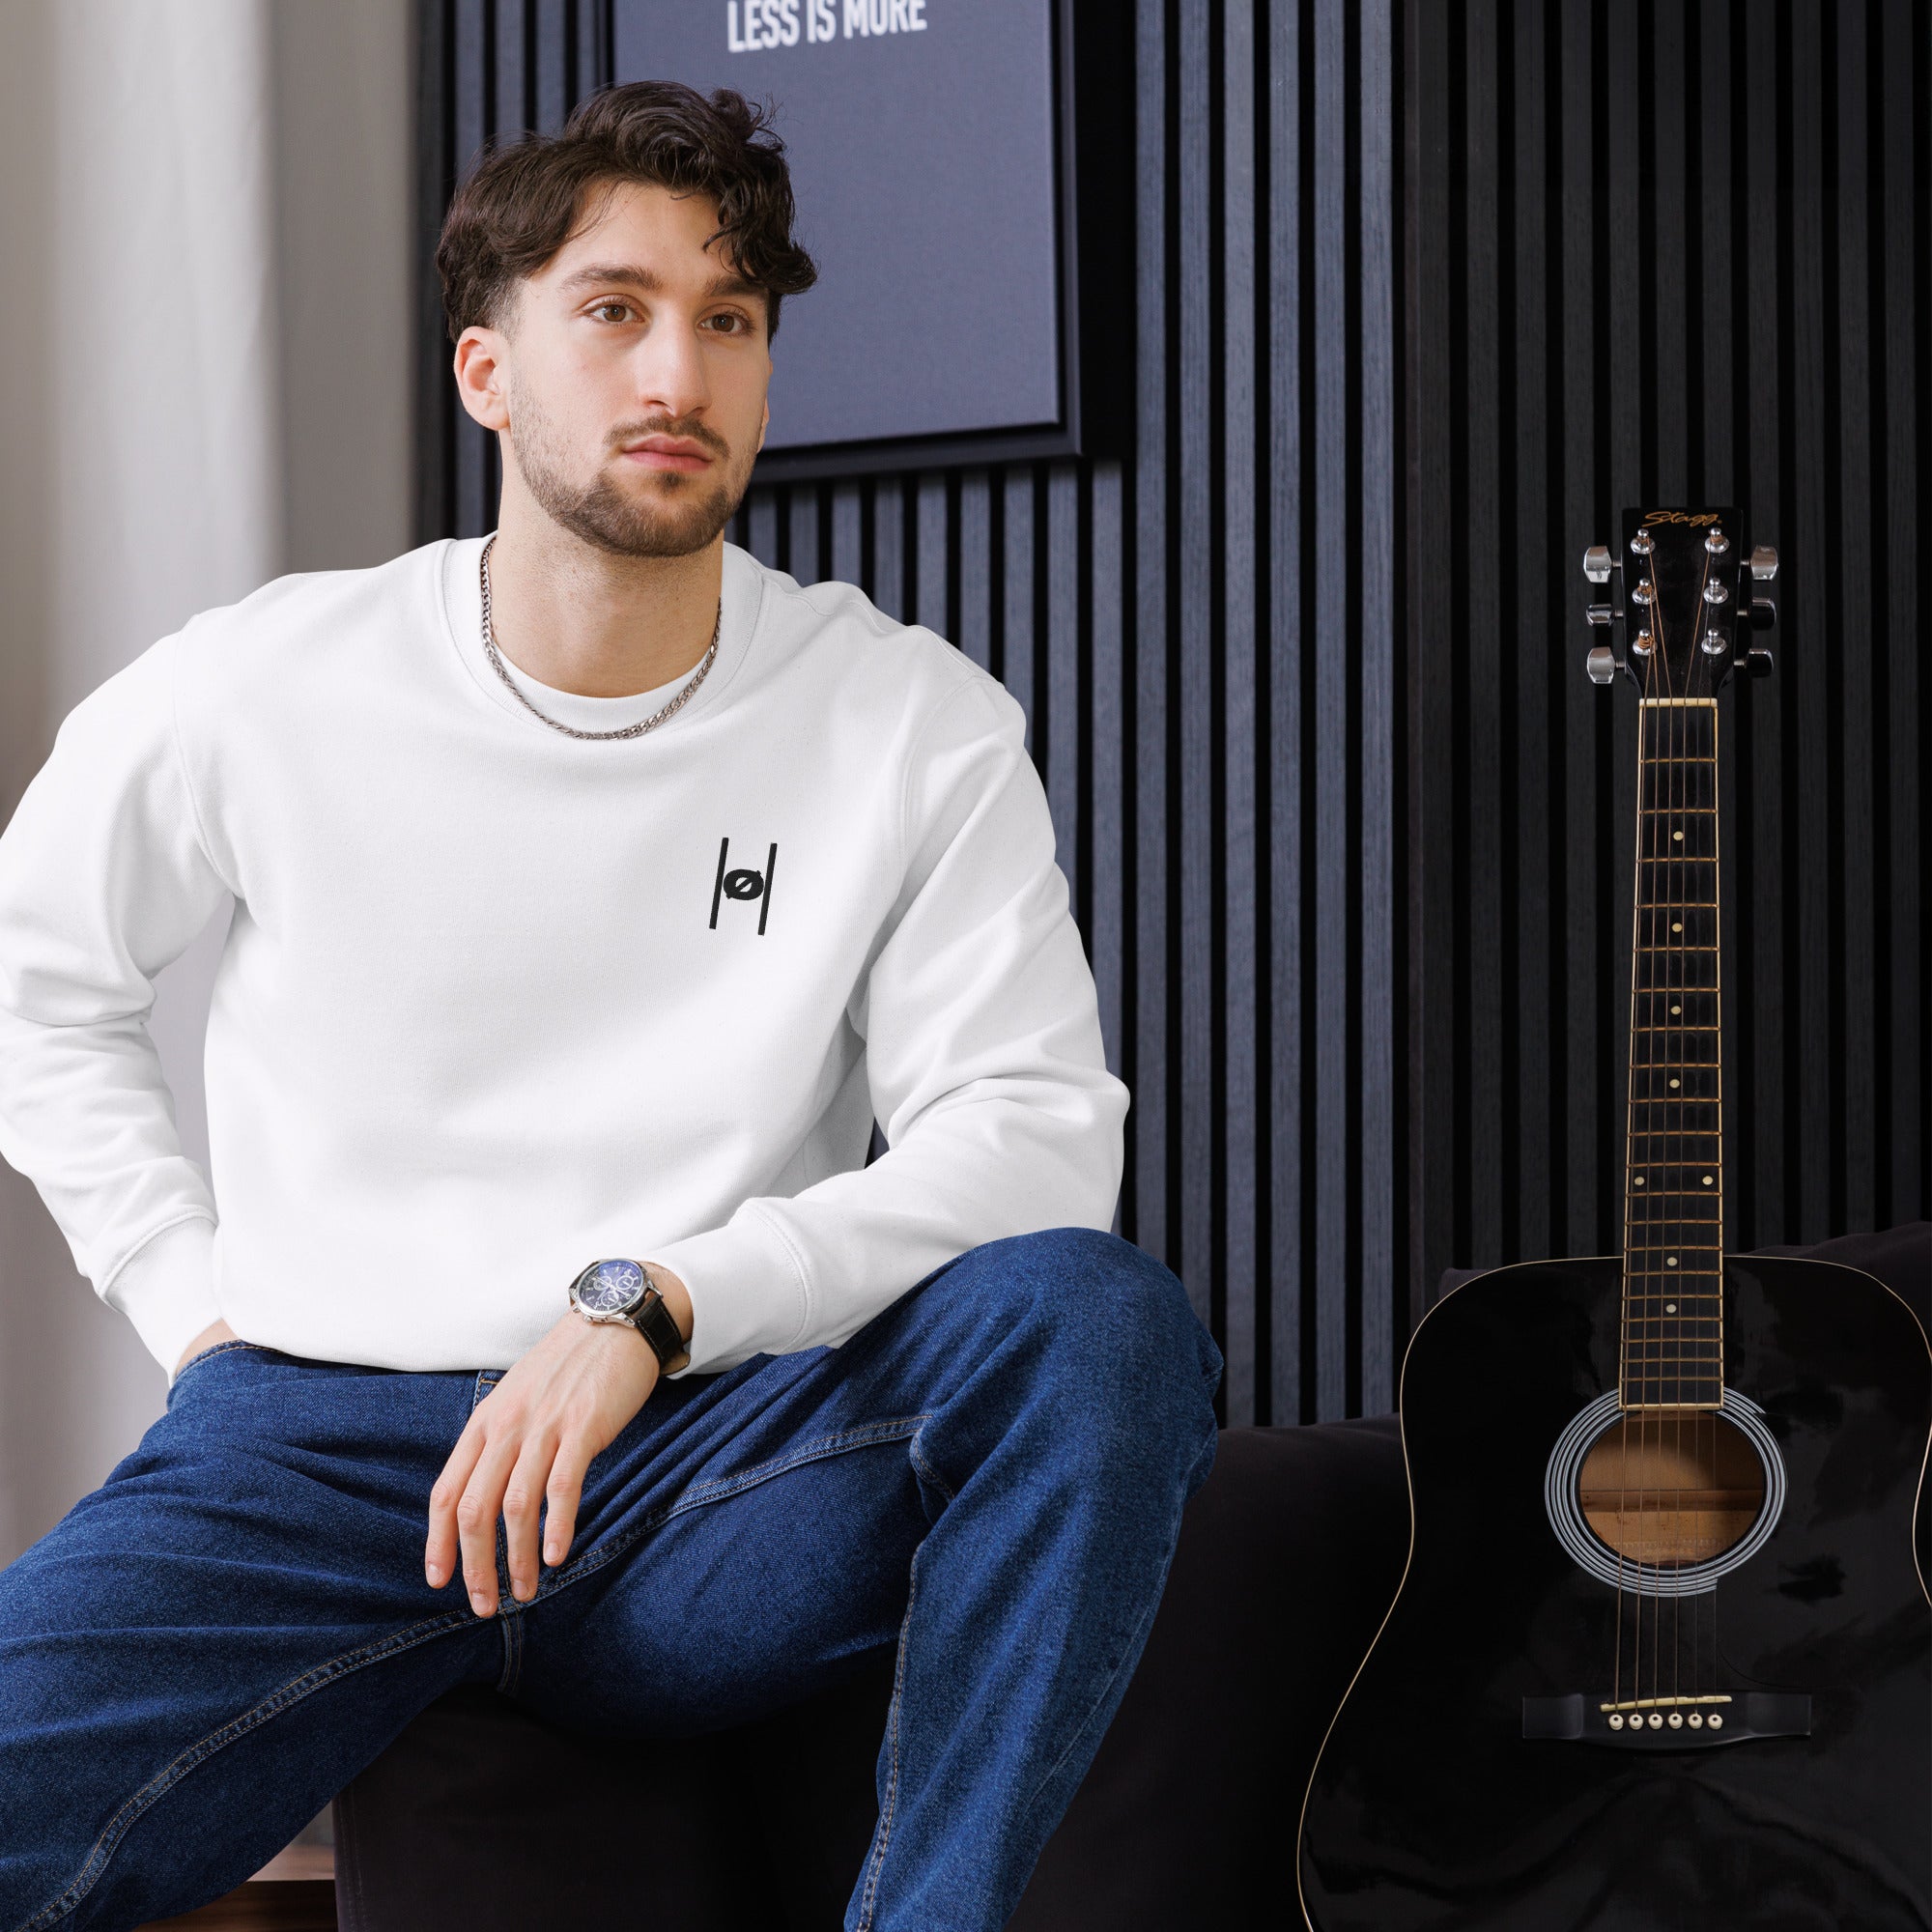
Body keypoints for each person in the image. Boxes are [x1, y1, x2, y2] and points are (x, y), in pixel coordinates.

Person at [0, 79, 1219, 1932]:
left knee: (1097, 1322)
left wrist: (657, 1303)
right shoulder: (262, 685)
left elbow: (1035, 1138)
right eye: (616, 310)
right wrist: (187, 1295)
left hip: (699, 1468)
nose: (682, 370)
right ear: (489, 371)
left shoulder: (906, 717)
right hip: (317, 1457)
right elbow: (36, 981)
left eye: (730, 321)